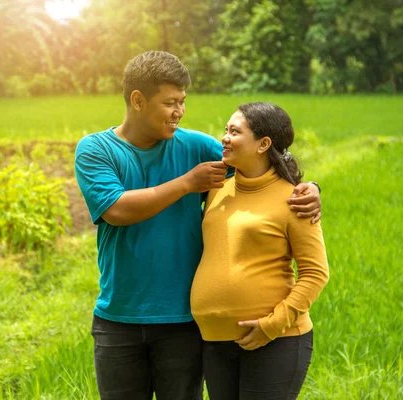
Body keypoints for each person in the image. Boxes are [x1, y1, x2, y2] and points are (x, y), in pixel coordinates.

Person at [74, 51, 322, 400]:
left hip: (183, 322)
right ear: (138, 100)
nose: (179, 112)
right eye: (170, 103)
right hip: (118, 318)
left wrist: (310, 189)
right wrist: (187, 184)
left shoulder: (195, 146)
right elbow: (116, 209)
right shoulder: (96, 149)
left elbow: (262, 168)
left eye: (183, 102)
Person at [191, 102, 330, 399]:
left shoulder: (295, 199)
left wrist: (272, 325)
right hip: (215, 341)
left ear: (263, 144)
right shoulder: (217, 188)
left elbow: (315, 273)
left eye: (235, 131)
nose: (225, 138)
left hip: (275, 341)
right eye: (225, 130)